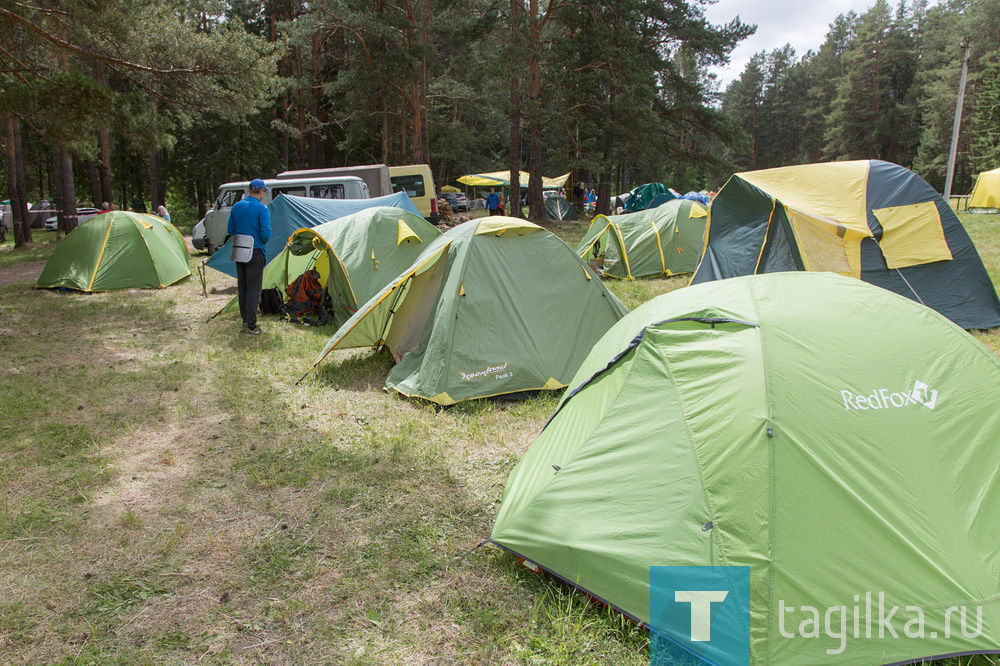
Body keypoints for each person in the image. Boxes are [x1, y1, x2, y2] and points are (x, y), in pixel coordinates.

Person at [228, 178, 271, 335]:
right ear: (259, 191)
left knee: (243, 286)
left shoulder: (236, 207)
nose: (264, 194)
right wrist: (260, 240)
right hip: (255, 250)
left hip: (239, 249)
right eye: (264, 192)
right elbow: (266, 233)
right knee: (254, 288)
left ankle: (245, 319)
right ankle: (252, 326)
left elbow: (231, 229)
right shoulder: (262, 209)